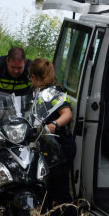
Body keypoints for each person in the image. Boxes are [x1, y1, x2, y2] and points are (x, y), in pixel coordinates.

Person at [29, 57, 75, 205]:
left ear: (34, 77)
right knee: (46, 189)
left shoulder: (54, 93)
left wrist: (54, 124)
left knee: (60, 192)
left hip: (60, 147)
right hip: (48, 147)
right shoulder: (38, 91)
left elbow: (67, 113)